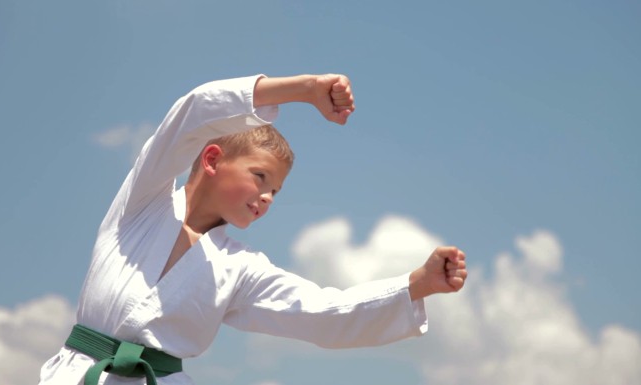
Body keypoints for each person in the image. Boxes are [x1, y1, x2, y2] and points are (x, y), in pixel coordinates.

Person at [38, 73, 467, 385]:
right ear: (211, 160)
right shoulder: (142, 203)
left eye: (277, 191)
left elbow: (320, 312)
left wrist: (417, 284)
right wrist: (303, 90)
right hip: (76, 374)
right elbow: (193, 111)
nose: (267, 197)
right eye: (260, 177)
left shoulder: (239, 269)